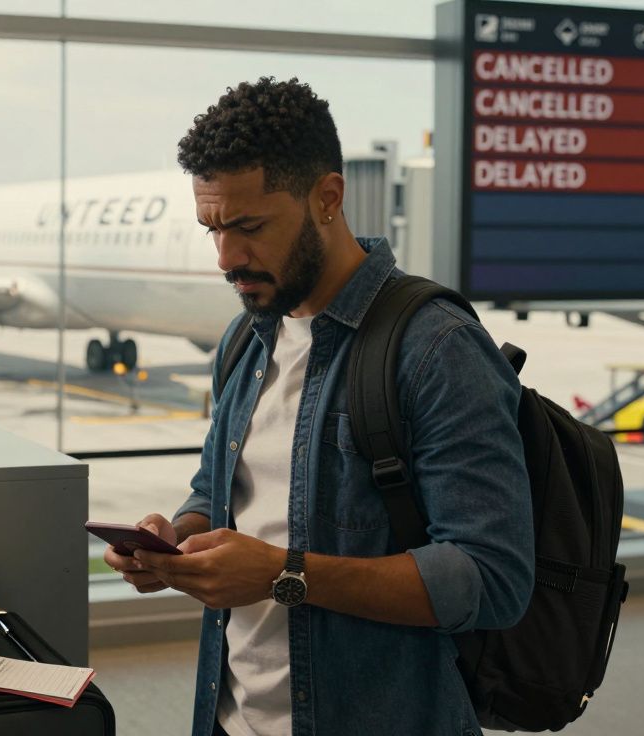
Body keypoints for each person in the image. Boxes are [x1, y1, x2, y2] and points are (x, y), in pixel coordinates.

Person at [104, 78, 534, 736]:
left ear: (327, 198)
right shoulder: (246, 338)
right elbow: (218, 493)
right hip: (230, 716)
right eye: (212, 228)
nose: (225, 257)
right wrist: (176, 541)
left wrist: (285, 574)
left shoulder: (437, 348)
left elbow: (492, 576)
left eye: (249, 227)